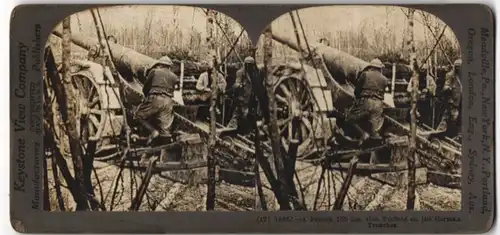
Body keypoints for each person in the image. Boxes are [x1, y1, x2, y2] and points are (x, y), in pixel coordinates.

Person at [134, 56, 178, 145]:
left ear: (159, 64)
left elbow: (146, 87)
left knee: (138, 115)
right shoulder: (174, 76)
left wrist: (147, 98)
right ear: (169, 66)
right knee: (165, 130)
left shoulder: (154, 72)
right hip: (168, 102)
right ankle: (165, 152)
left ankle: (153, 131)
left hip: (156, 98)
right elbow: (172, 89)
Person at [345, 58, 388, 146]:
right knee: (374, 130)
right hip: (378, 104)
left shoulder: (365, 74)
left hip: (366, 101)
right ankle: (375, 148)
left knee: (349, 118)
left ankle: (363, 134)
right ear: (380, 68)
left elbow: (357, 91)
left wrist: (357, 100)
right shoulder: (385, 79)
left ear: (371, 67)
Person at [227, 56, 262, 130]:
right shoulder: (240, 72)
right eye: (248, 64)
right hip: (243, 98)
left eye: (251, 64)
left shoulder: (256, 72)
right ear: (245, 64)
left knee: (251, 115)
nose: (249, 66)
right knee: (241, 114)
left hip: (253, 98)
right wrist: (238, 85)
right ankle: (231, 128)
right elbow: (237, 82)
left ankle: (250, 130)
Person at [437, 59, 462, 134]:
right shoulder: (450, 75)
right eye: (457, 67)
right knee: (449, 116)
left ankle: (458, 134)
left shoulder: (463, 75)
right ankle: (439, 131)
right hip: (452, 100)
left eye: (460, 67)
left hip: (461, 100)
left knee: (459, 118)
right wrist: (448, 88)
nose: (458, 68)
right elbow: (446, 85)